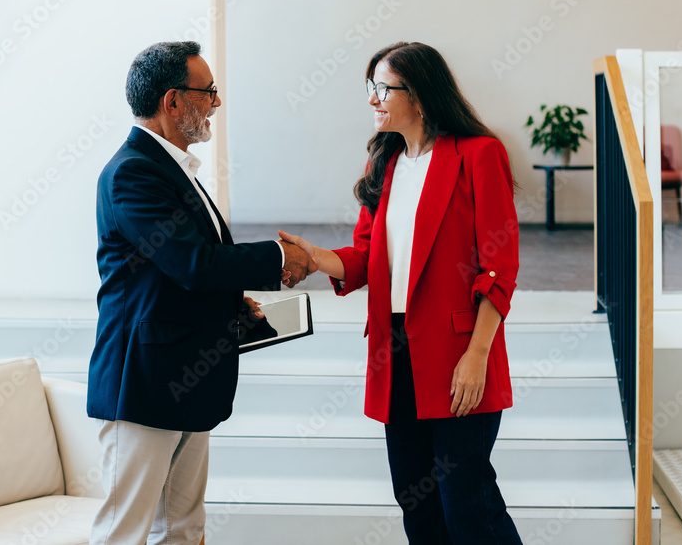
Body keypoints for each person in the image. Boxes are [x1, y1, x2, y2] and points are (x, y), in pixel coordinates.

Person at [279, 41, 524, 544]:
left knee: (468, 505)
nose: (373, 99)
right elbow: (367, 257)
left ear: (419, 95)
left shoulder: (479, 154)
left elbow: (499, 267)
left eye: (382, 88)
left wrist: (477, 355)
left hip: (460, 351)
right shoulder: (385, 164)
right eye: (371, 88)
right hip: (396, 353)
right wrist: (312, 257)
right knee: (417, 502)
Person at [88, 41, 313, 545]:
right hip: (143, 384)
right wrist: (282, 257)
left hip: (184, 377)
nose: (216, 102)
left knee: (184, 529)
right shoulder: (132, 172)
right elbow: (194, 263)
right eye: (207, 91)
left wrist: (234, 303)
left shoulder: (172, 169)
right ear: (172, 101)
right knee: (124, 534)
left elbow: (178, 271)